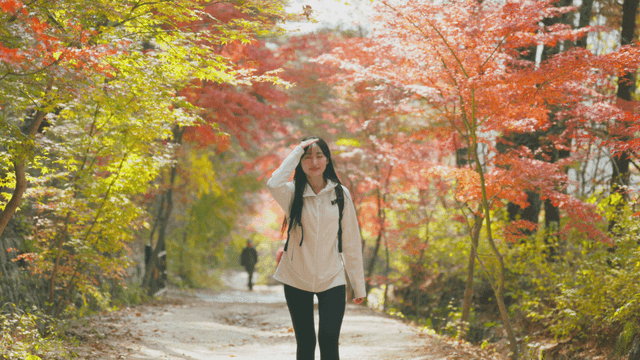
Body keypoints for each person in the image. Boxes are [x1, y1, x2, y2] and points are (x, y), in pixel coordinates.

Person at [267, 136, 366, 360]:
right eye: (307, 156)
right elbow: (273, 183)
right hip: (296, 278)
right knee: (306, 343)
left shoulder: (341, 195)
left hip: (332, 278)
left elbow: (351, 242)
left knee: (329, 341)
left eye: (319, 155)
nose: (314, 161)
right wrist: (296, 151)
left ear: (327, 160)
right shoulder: (292, 193)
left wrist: (358, 286)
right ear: (300, 162)